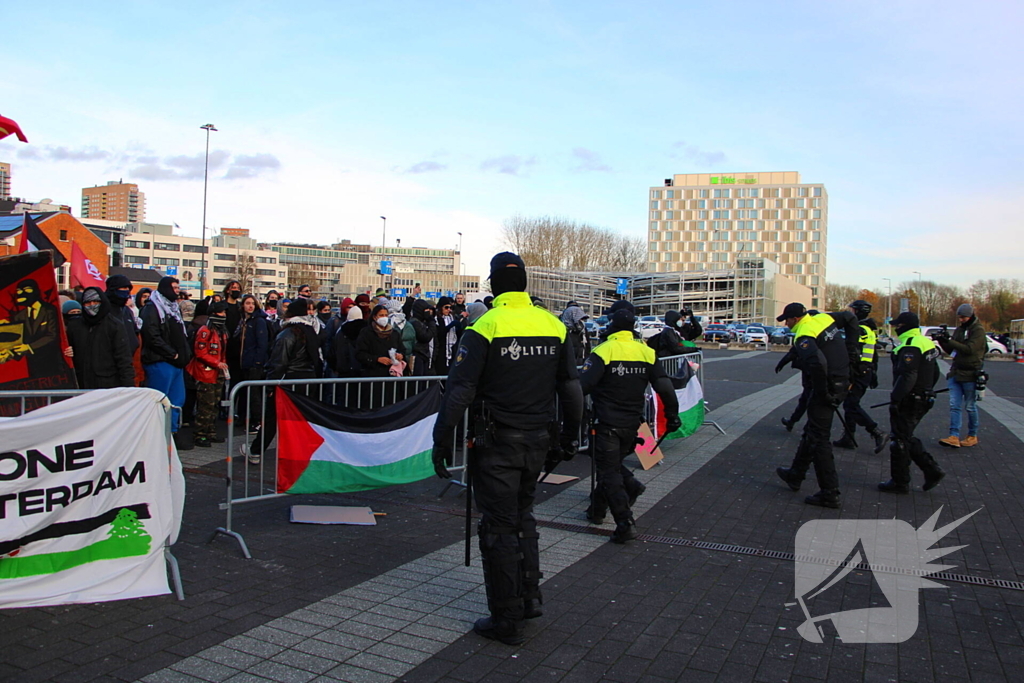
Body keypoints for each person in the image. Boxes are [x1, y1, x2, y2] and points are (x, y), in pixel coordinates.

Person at [430, 252, 583, 645]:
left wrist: (441, 439)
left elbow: (460, 389)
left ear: (494, 284)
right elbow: (570, 386)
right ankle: (529, 598)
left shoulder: (486, 324)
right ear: (525, 282)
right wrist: (570, 436)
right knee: (523, 517)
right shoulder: (553, 325)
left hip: (496, 443)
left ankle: (507, 620)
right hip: (538, 440)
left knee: (498, 527)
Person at [581, 305, 680, 543]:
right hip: (632, 423)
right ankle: (596, 510)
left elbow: (583, 386)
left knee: (609, 471)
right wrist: (673, 414)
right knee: (611, 466)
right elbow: (664, 386)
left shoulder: (604, 350)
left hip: (606, 422)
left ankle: (625, 521)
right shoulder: (645, 351)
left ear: (612, 326)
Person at [774, 302, 859, 509]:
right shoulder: (822, 318)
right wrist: (852, 353)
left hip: (828, 387)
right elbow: (850, 318)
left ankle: (830, 492)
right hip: (842, 380)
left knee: (819, 438)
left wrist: (822, 392)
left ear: (795, 319)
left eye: (787, 320)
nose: (786, 324)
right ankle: (796, 474)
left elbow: (817, 363)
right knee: (812, 431)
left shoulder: (803, 333)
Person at [244, 299, 323, 464]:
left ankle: (256, 451)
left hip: (287, 381)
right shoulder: (311, 331)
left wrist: (270, 385)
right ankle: (303, 454)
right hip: (307, 381)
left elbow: (278, 363)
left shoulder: (287, 334)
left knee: (272, 418)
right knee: (301, 420)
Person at [877, 312, 945, 493]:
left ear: (905, 326)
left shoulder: (911, 345)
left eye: (897, 326)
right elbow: (935, 371)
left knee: (899, 439)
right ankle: (930, 471)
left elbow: (908, 376)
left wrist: (896, 399)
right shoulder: (925, 342)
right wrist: (928, 388)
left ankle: (901, 481)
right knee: (905, 436)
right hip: (922, 397)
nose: (896, 329)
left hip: (910, 399)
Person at [832, 300, 888, 453]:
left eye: (852, 310)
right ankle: (848, 437)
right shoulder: (868, 328)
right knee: (849, 404)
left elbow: (851, 351)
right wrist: (873, 372)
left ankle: (877, 432)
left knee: (851, 405)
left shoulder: (859, 329)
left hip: (858, 372)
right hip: (865, 371)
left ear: (857, 312)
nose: (849, 313)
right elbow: (872, 353)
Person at [140, 277, 191, 436]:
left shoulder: (174, 308)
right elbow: (152, 335)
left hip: (176, 363)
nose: (177, 291)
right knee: (160, 401)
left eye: (178, 288)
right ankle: (156, 434)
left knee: (177, 401)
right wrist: (172, 354)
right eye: (174, 288)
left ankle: (172, 433)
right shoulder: (152, 308)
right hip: (160, 361)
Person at [935, 303, 986, 448]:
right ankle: (954, 436)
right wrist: (942, 341)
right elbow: (952, 351)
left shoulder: (978, 330)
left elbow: (969, 349)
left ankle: (972, 435)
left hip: (971, 373)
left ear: (970, 316)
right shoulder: (960, 330)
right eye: (959, 317)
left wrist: (950, 341)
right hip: (956, 372)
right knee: (954, 405)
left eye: (963, 317)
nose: (961, 320)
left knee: (970, 406)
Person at [64, 288, 135, 389]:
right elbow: (67, 351)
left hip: (108, 386)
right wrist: (68, 352)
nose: (92, 305)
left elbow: (123, 359)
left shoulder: (114, 326)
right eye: (88, 303)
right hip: (81, 384)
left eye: (96, 302)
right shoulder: (75, 326)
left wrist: (129, 387)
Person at [186, 301, 229, 447]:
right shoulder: (205, 330)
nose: (224, 315)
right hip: (205, 372)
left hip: (218, 372)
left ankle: (210, 431)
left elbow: (222, 352)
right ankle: (200, 434)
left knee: (214, 404)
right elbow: (200, 352)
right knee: (205, 405)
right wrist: (217, 363)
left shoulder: (221, 331)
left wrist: (222, 366)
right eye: (221, 312)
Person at [235, 294, 270, 429]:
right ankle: (244, 417)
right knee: (245, 393)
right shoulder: (243, 321)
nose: (250, 306)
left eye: (252, 303)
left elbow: (262, 343)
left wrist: (257, 362)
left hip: (254, 362)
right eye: (247, 303)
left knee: (254, 393)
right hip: (244, 362)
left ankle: (257, 421)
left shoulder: (259, 321)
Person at [355, 304, 406, 377]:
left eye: (386, 315)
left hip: (392, 374)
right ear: (374, 317)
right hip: (372, 375)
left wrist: (400, 355)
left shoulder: (394, 333)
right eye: (381, 315)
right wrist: (377, 359)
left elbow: (402, 349)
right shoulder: (366, 333)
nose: (384, 317)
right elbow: (360, 354)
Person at [434, 297, 463, 374]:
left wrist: (459, 328)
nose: (449, 310)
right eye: (446, 307)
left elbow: (457, 335)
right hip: (441, 349)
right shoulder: (437, 319)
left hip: (451, 348)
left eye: (450, 308)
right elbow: (439, 334)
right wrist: (449, 326)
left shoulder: (451, 318)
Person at [410, 299, 437, 376]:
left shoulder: (421, 322)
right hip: (418, 355)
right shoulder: (415, 323)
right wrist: (431, 321)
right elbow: (426, 337)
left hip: (424, 355)